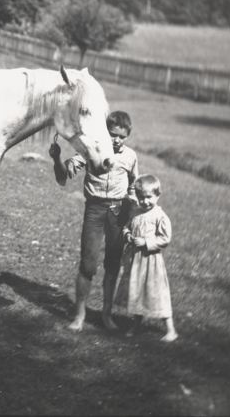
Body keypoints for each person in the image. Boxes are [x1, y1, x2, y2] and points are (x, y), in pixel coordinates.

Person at [49, 110, 138, 332]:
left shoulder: (131, 157)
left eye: (121, 136)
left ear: (127, 136)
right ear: (105, 133)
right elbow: (63, 177)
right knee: (88, 265)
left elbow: (134, 185)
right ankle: (79, 315)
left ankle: (107, 315)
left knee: (112, 266)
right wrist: (56, 158)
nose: (116, 140)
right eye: (112, 134)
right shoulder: (91, 152)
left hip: (119, 213)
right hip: (95, 212)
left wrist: (134, 207)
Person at [115, 174, 177, 342]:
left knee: (157, 293)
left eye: (149, 197)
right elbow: (128, 226)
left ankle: (170, 330)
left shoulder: (159, 216)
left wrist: (146, 242)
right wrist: (127, 234)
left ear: (158, 196)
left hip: (151, 261)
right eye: (141, 197)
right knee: (136, 291)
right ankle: (136, 326)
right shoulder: (135, 212)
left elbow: (165, 239)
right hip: (135, 260)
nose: (145, 201)